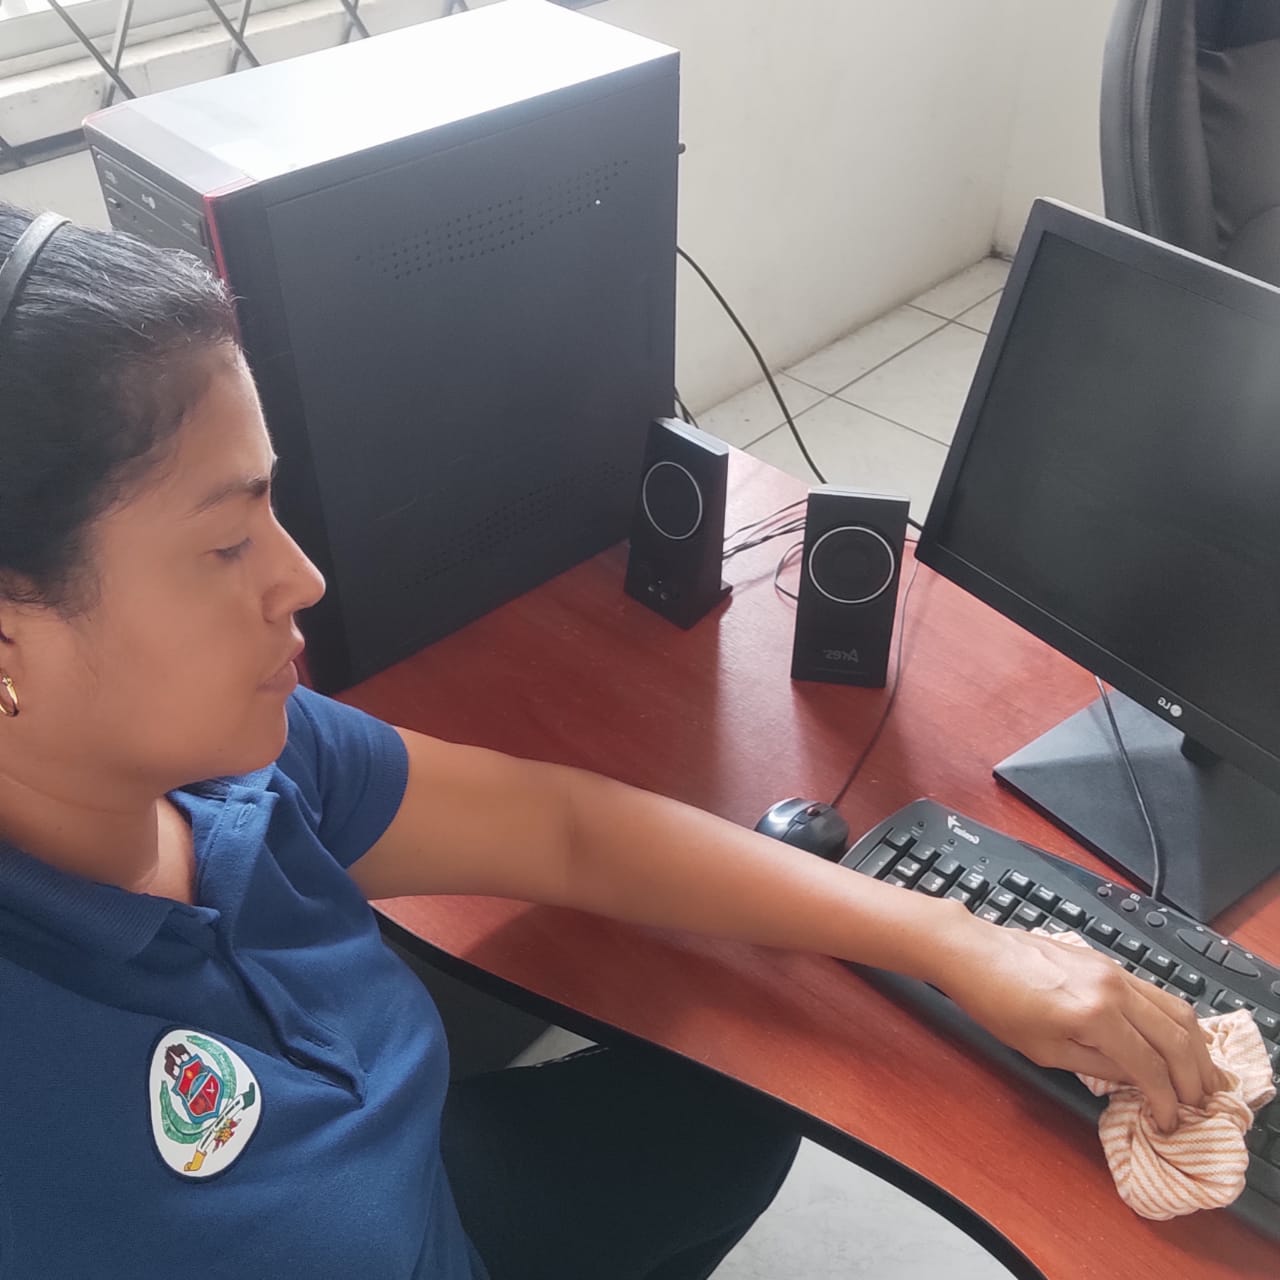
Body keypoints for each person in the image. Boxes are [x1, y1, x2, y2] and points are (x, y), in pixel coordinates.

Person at [0, 203, 1223, 1280]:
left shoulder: (239, 763)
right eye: (224, 544)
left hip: (428, 1201)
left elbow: (563, 826)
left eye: (270, 505)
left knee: (742, 1115)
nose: (301, 577)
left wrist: (959, 937)